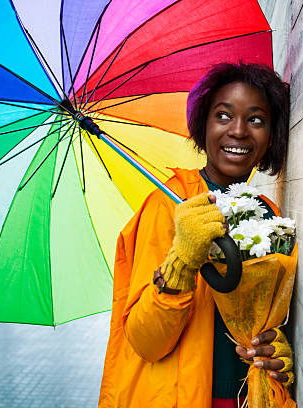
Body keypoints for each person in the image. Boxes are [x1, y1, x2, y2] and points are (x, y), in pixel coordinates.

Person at [98, 62, 293, 408]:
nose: (238, 131)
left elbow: (273, 318)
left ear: (272, 136)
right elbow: (145, 341)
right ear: (203, 127)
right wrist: (181, 261)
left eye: (256, 119)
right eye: (223, 116)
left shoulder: (269, 214)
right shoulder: (169, 205)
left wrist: (275, 350)